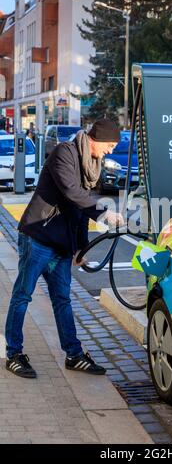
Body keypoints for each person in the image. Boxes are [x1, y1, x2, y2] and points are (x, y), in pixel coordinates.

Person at [5, 118, 124, 379]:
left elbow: (80, 209)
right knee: (23, 295)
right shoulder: (65, 154)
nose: (111, 151)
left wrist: (81, 248)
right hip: (37, 237)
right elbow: (72, 193)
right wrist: (105, 213)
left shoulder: (91, 165)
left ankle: (74, 354)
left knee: (63, 299)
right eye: (111, 145)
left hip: (60, 245)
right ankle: (14, 354)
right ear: (98, 138)